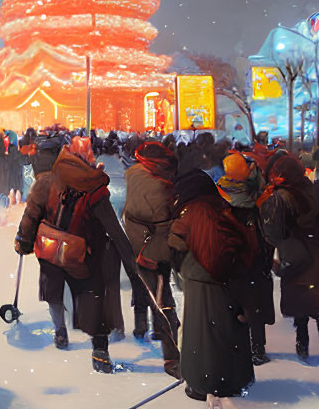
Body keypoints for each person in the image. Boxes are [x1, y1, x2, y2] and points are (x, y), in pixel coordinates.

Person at [15, 136, 144, 373]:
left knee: (53, 290)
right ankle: (100, 348)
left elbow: (31, 215)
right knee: (93, 297)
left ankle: (60, 331)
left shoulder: (46, 182)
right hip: (86, 251)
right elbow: (113, 228)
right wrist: (130, 261)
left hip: (51, 248)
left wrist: (23, 242)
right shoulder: (94, 188)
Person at [169, 169, 255, 401]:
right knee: (224, 333)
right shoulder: (221, 208)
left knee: (202, 337)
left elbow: (178, 242)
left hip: (202, 282)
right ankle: (228, 381)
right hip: (226, 281)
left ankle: (204, 384)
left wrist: (185, 265)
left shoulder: (193, 213)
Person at [259, 153, 319, 361]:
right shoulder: (317, 190)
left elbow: (273, 231)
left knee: (299, 293)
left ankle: (302, 340)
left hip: (296, 253)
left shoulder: (281, 197)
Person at [122, 139, 180, 374]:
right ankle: (169, 350)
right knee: (162, 291)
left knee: (140, 283)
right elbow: (163, 219)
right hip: (155, 244)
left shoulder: (132, 173)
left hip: (135, 239)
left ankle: (140, 326)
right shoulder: (163, 182)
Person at [216, 151, 276, 365]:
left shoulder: (220, 191)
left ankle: (237, 348)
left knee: (233, 304)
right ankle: (257, 349)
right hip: (254, 256)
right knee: (255, 305)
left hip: (232, 257)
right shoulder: (257, 193)